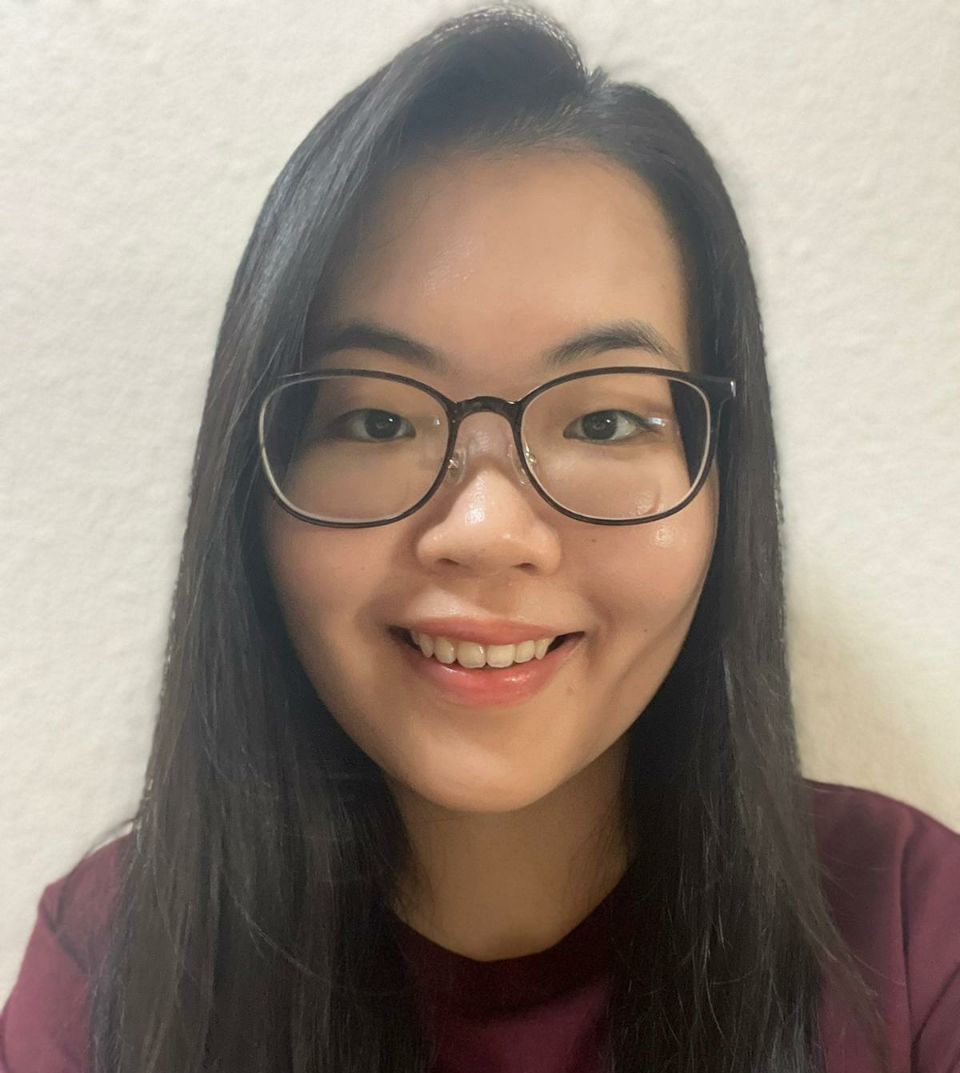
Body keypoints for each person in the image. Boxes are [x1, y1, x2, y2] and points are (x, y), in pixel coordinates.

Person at [2, 6, 958, 1073]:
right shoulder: (113, 968)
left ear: (725, 482)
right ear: (253, 492)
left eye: (605, 421)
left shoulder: (914, 929)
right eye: (377, 419)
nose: (489, 531)